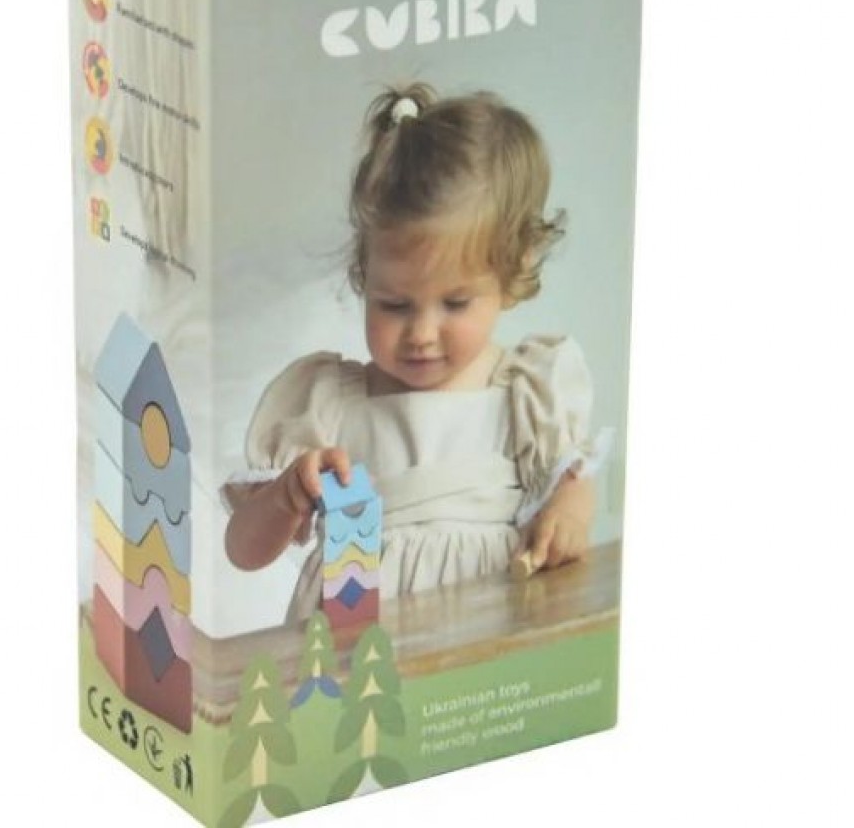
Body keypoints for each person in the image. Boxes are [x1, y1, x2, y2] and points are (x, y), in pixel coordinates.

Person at [223, 83, 609, 621]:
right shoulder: (331, 404)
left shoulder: (524, 392)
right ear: (365, 277)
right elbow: (242, 552)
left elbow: (573, 481)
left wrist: (567, 517)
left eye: (455, 303)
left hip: (488, 617)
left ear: (510, 276)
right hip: (355, 636)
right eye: (395, 305)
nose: (422, 333)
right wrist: (286, 497)